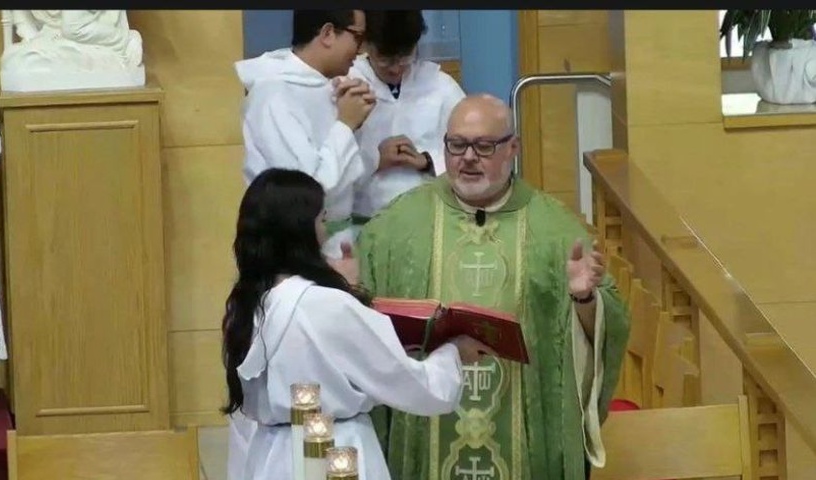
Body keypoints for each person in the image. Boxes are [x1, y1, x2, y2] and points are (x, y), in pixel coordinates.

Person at [357, 95, 631, 479]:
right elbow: (362, 323)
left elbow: (609, 326)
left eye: (484, 146)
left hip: (523, 444)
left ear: (513, 148)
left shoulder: (555, 230)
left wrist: (583, 298)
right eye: (457, 145)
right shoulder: (394, 228)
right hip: (426, 431)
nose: (468, 157)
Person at [222, 168, 492, 480]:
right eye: (322, 220)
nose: (326, 232)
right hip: (335, 451)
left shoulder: (246, 303)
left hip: (273, 457)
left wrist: (342, 291)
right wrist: (453, 353)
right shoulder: (326, 305)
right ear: (301, 229)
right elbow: (414, 385)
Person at [235, 10, 377, 260]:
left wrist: (359, 123)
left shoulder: (330, 86)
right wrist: (345, 124)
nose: (362, 49)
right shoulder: (273, 95)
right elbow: (307, 190)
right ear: (328, 33)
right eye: (358, 37)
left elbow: (352, 178)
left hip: (339, 241)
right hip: (293, 251)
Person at [348, 10, 466, 225]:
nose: (395, 69)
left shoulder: (440, 86)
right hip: (363, 218)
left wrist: (428, 162)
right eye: (385, 59)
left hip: (429, 219)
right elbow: (330, 166)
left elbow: (469, 148)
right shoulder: (348, 84)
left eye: (404, 57)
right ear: (365, 45)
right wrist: (375, 160)